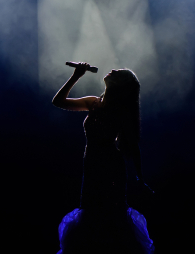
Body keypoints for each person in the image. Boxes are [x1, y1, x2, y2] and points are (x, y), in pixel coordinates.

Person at [52, 62, 155, 254]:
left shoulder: (121, 111)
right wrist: (76, 76)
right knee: (90, 211)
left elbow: (133, 146)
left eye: (119, 73)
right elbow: (58, 101)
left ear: (120, 85)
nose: (113, 70)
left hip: (110, 167)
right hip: (91, 165)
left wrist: (140, 177)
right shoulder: (93, 103)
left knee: (110, 214)